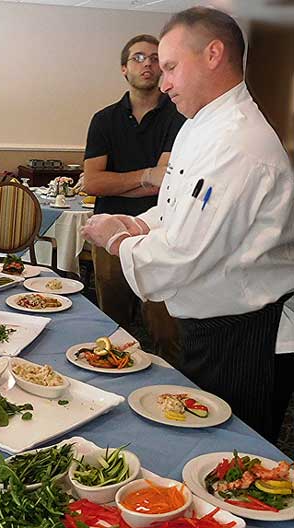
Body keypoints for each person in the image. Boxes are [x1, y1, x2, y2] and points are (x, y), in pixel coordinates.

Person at [82, 6, 294, 441]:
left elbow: (185, 253)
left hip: (247, 333)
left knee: (233, 459)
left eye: (172, 67)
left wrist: (117, 240)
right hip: (212, 323)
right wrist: (138, 223)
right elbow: (177, 205)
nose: (163, 82)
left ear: (214, 54)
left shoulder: (238, 142)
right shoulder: (199, 126)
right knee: (199, 441)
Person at [83, 34, 185, 366]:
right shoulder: (104, 120)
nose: (148, 64)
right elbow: (94, 183)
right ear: (124, 69)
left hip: (159, 236)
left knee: (165, 329)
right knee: (112, 325)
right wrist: (146, 177)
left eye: (155, 58)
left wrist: (125, 182)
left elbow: (167, 182)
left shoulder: (178, 117)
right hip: (107, 230)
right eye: (139, 58)